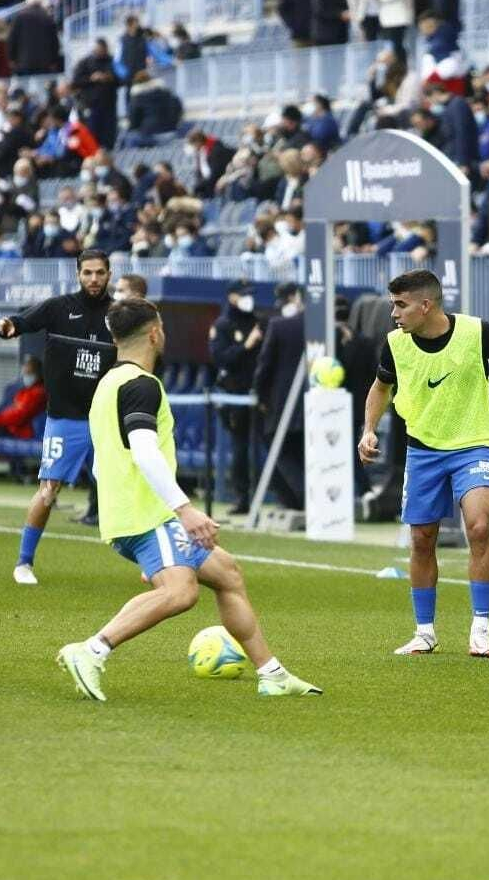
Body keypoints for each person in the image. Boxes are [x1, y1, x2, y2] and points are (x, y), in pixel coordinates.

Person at [55, 297, 322, 701]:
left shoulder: (108, 383)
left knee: (227, 574)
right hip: (149, 514)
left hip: (130, 511)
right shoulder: (141, 385)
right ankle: (91, 651)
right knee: (181, 593)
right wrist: (185, 510)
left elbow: (102, 460)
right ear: (155, 333)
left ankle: (273, 673)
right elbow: (144, 451)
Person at [357, 268, 489, 658]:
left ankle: (481, 628)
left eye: (401, 305)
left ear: (425, 304)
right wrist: (368, 429)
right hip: (423, 451)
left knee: (479, 527)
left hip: (473, 446)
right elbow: (381, 386)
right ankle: (425, 632)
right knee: (421, 539)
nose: (394, 313)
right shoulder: (395, 344)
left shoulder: (477, 332)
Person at [0, 250, 117, 585]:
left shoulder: (118, 314)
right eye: (88, 272)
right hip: (66, 419)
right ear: (78, 274)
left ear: (109, 274)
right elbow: (21, 322)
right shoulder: (59, 308)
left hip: (105, 420)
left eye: (100, 273)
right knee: (48, 491)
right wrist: (7, 326)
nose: (94, 279)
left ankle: (151, 565)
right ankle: (23, 562)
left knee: (128, 489)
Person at [253, 282, 309, 511]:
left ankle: (304, 498)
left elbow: (264, 366)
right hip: (318, 402)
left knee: (282, 449)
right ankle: (300, 500)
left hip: (282, 403)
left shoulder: (280, 326)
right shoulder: (331, 328)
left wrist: (260, 396)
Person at [210, 282, 262, 514]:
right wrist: (246, 345)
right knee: (240, 448)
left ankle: (267, 494)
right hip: (235, 394)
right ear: (231, 297)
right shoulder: (223, 325)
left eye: (250, 294)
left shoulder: (257, 321)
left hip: (258, 393)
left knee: (265, 442)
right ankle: (241, 498)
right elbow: (221, 358)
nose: (247, 299)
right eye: (243, 295)